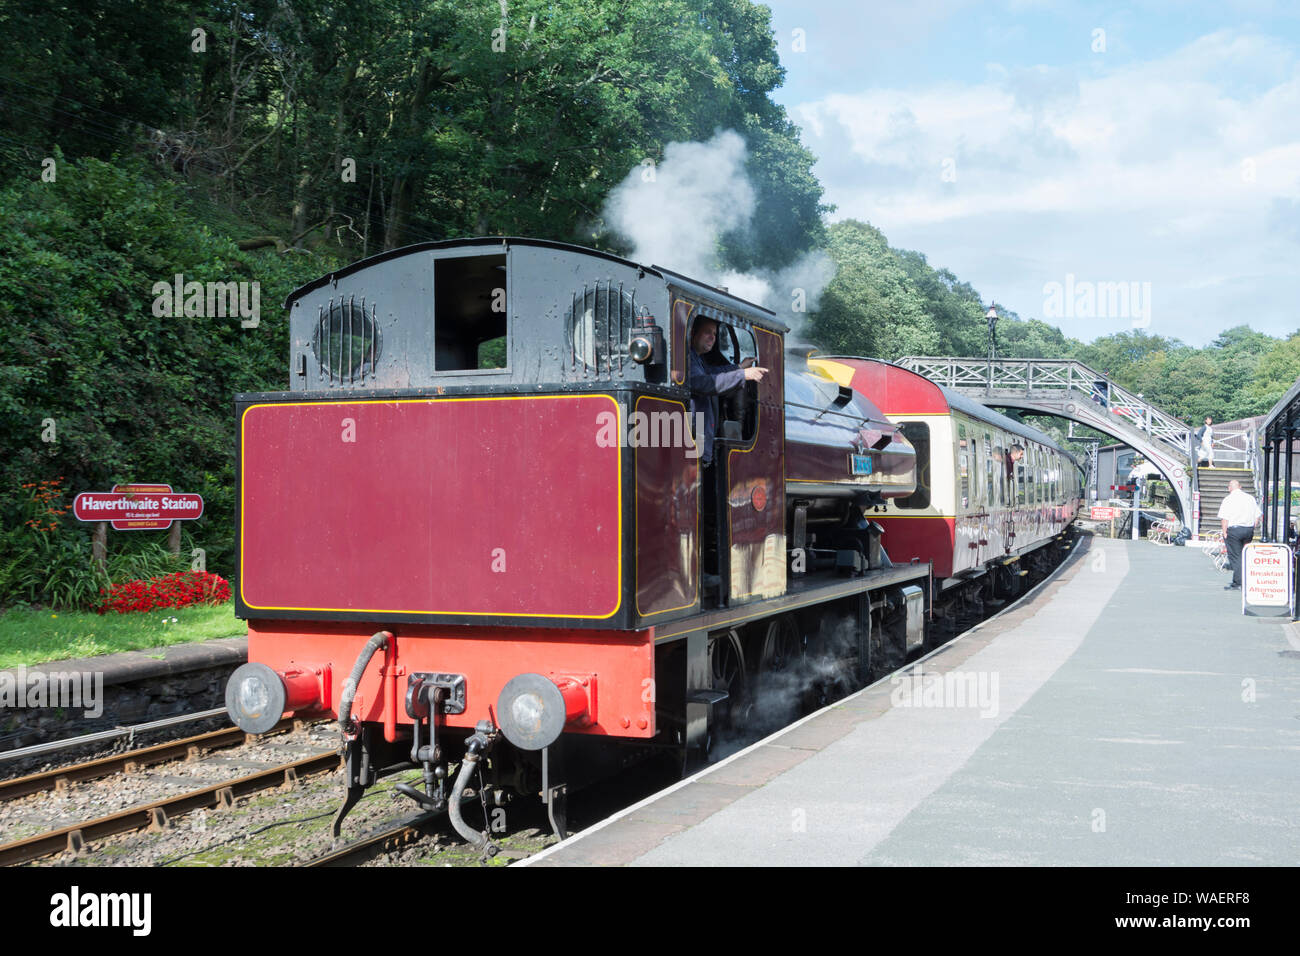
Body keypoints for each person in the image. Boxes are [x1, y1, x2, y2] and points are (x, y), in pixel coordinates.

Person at [687, 318, 766, 467]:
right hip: (692, 441)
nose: (712, 337)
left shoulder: (697, 359)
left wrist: (739, 367)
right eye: (707, 332)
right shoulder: (687, 358)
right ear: (693, 333)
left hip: (698, 441)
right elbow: (703, 383)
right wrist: (742, 375)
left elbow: (711, 372)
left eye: (715, 334)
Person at [1218, 479, 1261, 590]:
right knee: (1244, 554)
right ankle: (1245, 579)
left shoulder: (1228, 499)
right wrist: (1252, 526)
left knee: (1236, 557)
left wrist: (1224, 532)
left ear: (1229, 488)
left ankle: (1238, 582)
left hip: (1234, 530)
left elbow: (1224, 518)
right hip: (1248, 530)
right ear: (1240, 487)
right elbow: (1258, 515)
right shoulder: (1250, 498)